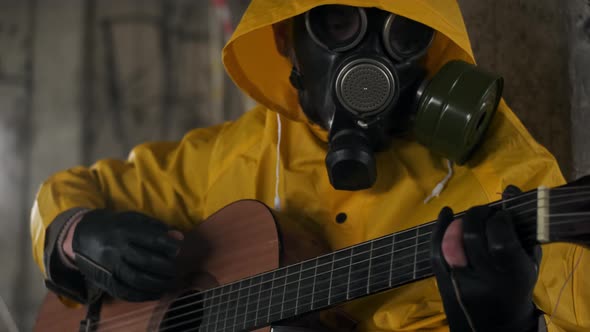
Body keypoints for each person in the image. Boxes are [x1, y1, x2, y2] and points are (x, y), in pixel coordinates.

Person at [31, 0, 589, 331]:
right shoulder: (240, 152)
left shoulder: (501, 175)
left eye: (402, 34)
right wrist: (74, 234)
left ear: (433, 51)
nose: (366, 67)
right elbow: (72, 191)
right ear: (286, 35)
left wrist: (512, 324)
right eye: (338, 26)